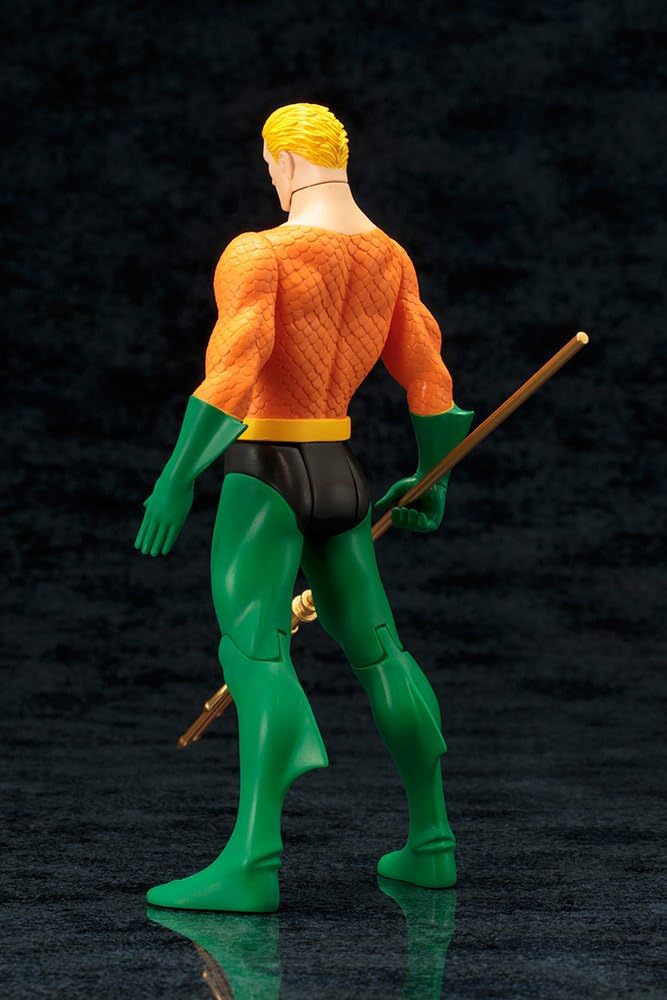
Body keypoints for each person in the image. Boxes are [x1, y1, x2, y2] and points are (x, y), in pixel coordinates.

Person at [135, 103, 474, 912]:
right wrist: (430, 479)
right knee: (381, 652)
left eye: (269, 168)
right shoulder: (389, 256)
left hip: (265, 470)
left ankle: (252, 862)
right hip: (340, 473)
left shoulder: (260, 252)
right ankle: (431, 844)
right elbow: (428, 376)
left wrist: (177, 476)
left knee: (254, 654)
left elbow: (234, 370)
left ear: (284, 162)